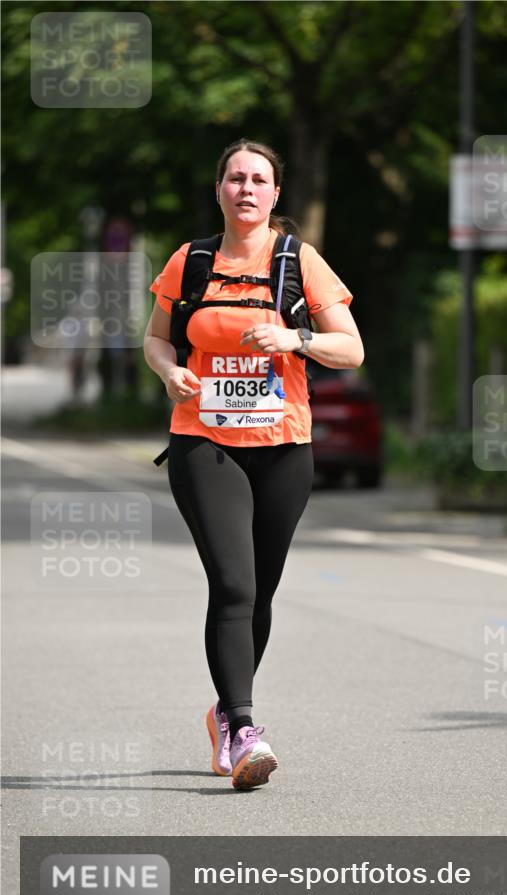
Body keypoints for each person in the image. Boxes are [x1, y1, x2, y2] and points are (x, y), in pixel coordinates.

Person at [143, 138, 364, 790]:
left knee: (259, 592)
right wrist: (170, 371)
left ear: (274, 195)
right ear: (219, 190)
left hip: (284, 448)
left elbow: (349, 350)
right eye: (234, 178)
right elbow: (156, 338)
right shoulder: (192, 261)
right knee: (234, 585)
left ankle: (222, 713)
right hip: (203, 441)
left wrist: (294, 337)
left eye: (258, 179)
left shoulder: (299, 261)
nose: (245, 188)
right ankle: (243, 728)